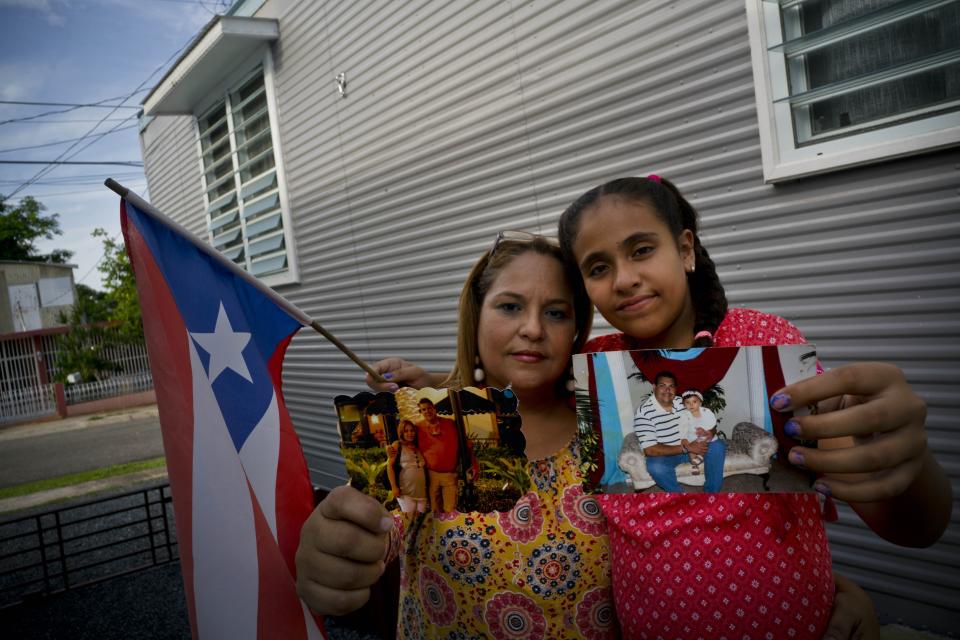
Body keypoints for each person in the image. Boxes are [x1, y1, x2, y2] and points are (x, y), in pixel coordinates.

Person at [297, 230, 887, 639]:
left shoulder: (612, 419)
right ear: (474, 319)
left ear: (578, 330)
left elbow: (702, 535)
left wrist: (828, 589)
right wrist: (333, 553)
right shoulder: (435, 423)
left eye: (556, 313)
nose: (532, 329)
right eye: (509, 307)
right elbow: (373, 525)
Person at [556, 174, 952, 636]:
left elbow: (912, 526)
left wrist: (903, 458)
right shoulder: (591, 368)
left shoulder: (766, 341)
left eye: (642, 249)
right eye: (598, 268)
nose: (624, 279)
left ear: (686, 250)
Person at [634, 372, 725, 490]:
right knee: (655, 467)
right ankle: (681, 498)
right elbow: (650, 450)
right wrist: (687, 448)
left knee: (718, 446)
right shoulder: (643, 412)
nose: (667, 390)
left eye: (671, 386)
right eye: (662, 386)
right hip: (666, 454)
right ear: (654, 387)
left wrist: (710, 432)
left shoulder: (685, 402)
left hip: (694, 444)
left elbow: (708, 418)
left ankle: (711, 494)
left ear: (676, 389)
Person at [386, 420, 427, 514]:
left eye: (412, 430)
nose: (410, 433)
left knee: (421, 523)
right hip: (405, 493)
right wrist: (394, 486)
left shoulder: (418, 446)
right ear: (401, 433)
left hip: (422, 493)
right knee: (409, 522)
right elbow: (390, 466)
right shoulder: (397, 445)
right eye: (406, 431)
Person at [676, 387, 716, 475]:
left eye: (694, 402)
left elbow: (712, 421)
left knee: (704, 444)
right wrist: (683, 439)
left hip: (705, 435)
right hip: (691, 437)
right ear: (684, 405)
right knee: (691, 449)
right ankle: (695, 465)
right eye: (687, 403)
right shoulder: (684, 415)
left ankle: (701, 456)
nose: (691, 405)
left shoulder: (706, 412)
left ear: (700, 402)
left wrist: (707, 431)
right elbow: (682, 427)